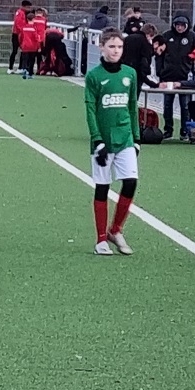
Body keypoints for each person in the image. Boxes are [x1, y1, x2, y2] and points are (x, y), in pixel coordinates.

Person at [85, 28, 139, 255]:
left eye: (119, 47)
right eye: (112, 46)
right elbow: (90, 109)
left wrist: (136, 138)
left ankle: (115, 230)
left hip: (125, 137)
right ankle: (100, 239)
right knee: (103, 187)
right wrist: (97, 140)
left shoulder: (130, 74)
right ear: (102, 47)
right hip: (103, 141)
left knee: (131, 182)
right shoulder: (94, 76)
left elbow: (132, 106)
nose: (116, 51)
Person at [159, 13, 195, 139]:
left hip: (185, 78)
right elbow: (159, 55)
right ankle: (168, 130)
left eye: (182, 25)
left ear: (186, 26)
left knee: (185, 106)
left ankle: (185, 131)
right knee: (167, 105)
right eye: (177, 25)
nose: (179, 28)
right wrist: (160, 72)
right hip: (168, 77)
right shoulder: (166, 36)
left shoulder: (193, 38)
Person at [8, 0, 32, 74]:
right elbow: (18, 24)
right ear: (23, 7)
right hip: (17, 34)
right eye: (28, 7)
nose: (29, 9)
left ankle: (20, 68)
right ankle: (10, 68)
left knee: (23, 51)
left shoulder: (23, 13)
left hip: (21, 34)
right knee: (15, 51)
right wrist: (23, 31)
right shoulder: (20, 13)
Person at [17, 10, 40, 78]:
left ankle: (24, 70)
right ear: (33, 19)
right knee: (31, 60)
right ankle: (30, 73)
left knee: (25, 59)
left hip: (25, 46)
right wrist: (39, 46)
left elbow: (20, 37)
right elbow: (36, 38)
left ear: (27, 19)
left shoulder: (23, 27)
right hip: (33, 47)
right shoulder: (34, 28)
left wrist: (21, 44)